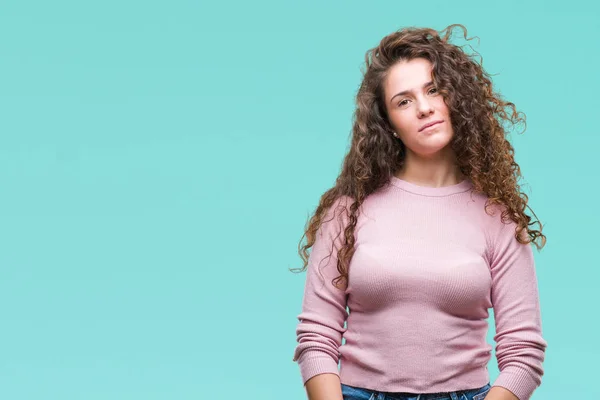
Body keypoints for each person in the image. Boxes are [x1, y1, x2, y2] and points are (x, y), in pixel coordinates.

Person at [290, 24, 548, 400]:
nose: (424, 107)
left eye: (433, 90)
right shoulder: (349, 210)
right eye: (403, 101)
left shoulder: (498, 219)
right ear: (389, 124)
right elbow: (316, 337)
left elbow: (524, 354)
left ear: (455, 98)